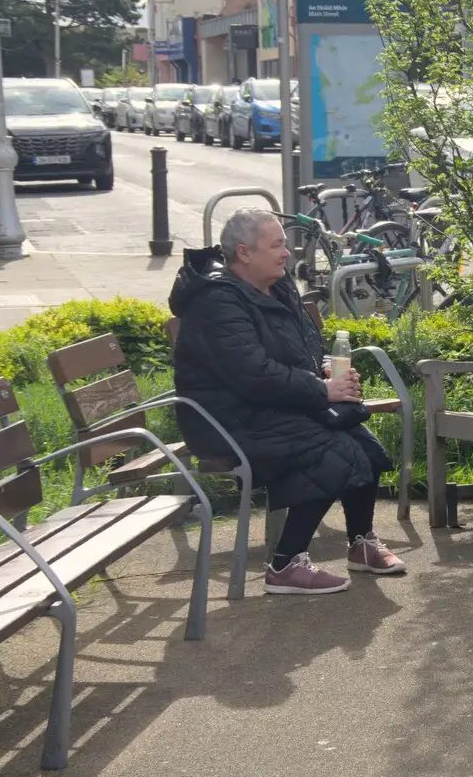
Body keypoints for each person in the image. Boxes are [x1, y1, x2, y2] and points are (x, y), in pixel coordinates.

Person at [169, 208, 405, 595]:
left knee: (359, 436)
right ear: (244, 253)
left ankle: (361, 544)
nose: (287, 253)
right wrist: (321, 391)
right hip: (227, 421)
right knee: (332, 450)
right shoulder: (216, 301)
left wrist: (328, 371)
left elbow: (300, 351)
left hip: (269, 407)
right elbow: (251, 372)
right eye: (277, 244)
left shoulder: (276, 286)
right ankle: (285, 565)